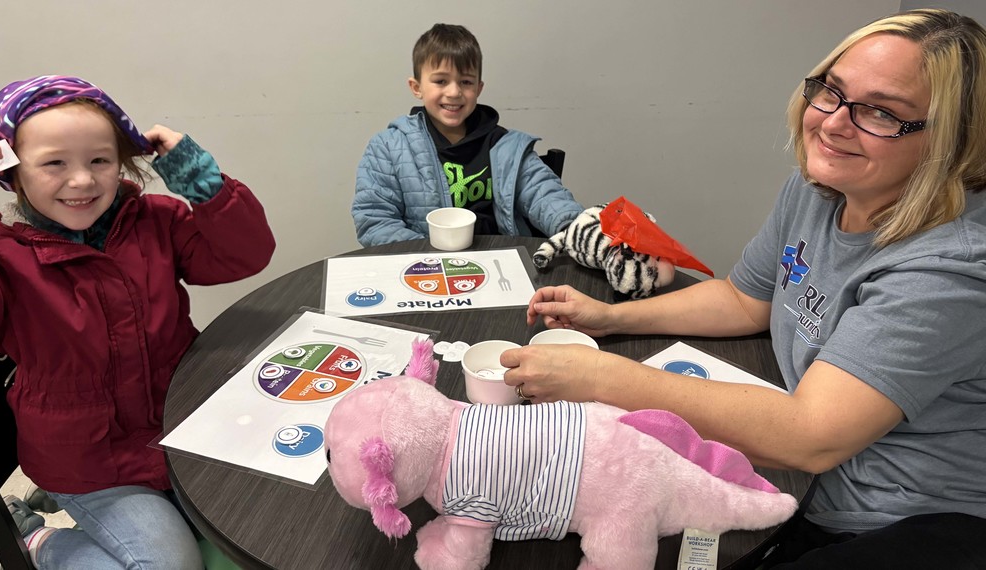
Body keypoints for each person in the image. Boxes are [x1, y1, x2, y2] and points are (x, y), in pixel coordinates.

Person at [502, 9, 986, 569]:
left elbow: (811, 436)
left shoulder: (949, 269)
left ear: (953, 141)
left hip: (893, 519)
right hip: (798, 476)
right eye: (830, 91)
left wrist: (608, 378)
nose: (831, 123)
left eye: (880, 112)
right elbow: (744, 299)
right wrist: (610, 319)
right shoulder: (818, 188)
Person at [0, 75, 276, 569]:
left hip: (181, 431)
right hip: (89, 464)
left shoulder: (154, 220)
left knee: (272, 524)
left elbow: (245, 255)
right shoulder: (0, 256)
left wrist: (201, 181)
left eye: (100, 161)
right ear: (13, 172)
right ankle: (38, 542)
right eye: (54, 163)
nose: (83, 180)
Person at [351, 23, 584, 247]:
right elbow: (375, 221)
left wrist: (579, 231)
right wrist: (428, 258)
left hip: (499, 264)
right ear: (417, 87)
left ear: (478, 89)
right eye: (441, 81)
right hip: (425, 268)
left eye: (466, 81)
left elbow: (545, 195)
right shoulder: (388, 148)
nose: (454, 92)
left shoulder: (506, 146)